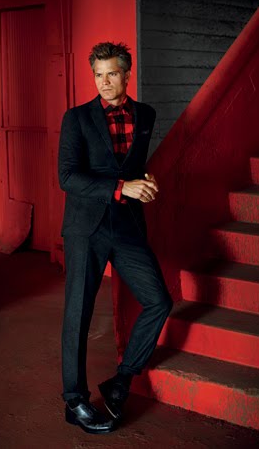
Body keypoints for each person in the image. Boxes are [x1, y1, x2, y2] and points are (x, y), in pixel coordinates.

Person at [58, 41, 173, 434]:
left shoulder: (146, 115)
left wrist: (146, 181)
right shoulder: (76, 118)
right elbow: (67, 177)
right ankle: (74, 401)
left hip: (126, 227)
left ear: (126, 75)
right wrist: (123, 187)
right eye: (98, 75)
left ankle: (121, 380)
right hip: (85, 228)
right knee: (79, 312)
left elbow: (133, 165)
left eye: (111, 74)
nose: (104, 82)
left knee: (158, 301)